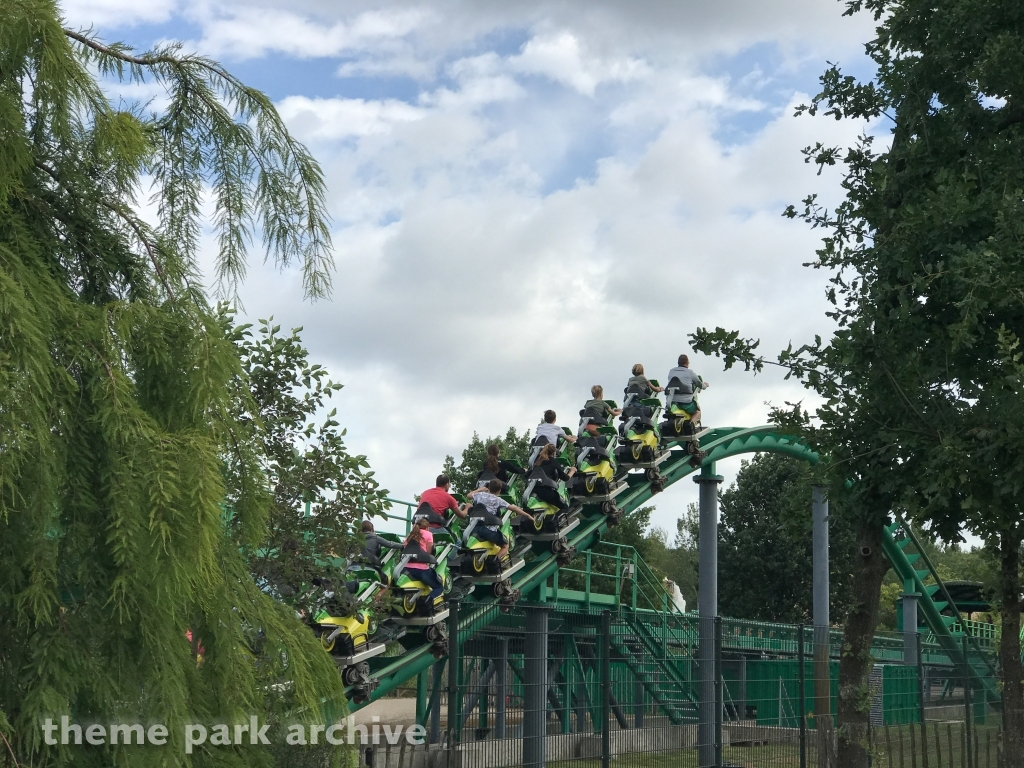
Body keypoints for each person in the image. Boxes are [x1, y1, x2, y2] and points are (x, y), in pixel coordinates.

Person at [464, 479, 534, 560]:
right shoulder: (498, 500)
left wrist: (480, 489)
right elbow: (514, 508)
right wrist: (528, 516)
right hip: (488, 529)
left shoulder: (480, 495)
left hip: (474, 527)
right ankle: (495, 561)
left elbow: (468, 495)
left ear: (489, 487)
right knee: (505, 546)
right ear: (499, 490)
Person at [402, 518, 444, 602]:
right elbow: (429, 552)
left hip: (406, 568)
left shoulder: (410, 534)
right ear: (427, 527)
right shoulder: (428, 534)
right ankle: (427, 601)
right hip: (421, 570)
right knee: (439, 587)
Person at [530, 443, 576, 512]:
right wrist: (572, 471)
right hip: (546, 491)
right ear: (554, 452)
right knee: (565, 507)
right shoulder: (554, 462)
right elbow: (565, 478)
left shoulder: (538, 462)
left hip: (533, 489)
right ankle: (557, 521)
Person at [665, 354, 709, 425]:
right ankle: (690, 424)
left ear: (678, 363)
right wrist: (705, 385)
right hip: (685, 402)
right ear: (687, 363)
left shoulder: (671, 371)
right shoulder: (690, 372)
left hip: (671, 400)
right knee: (698, 411)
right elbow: (699, 384)